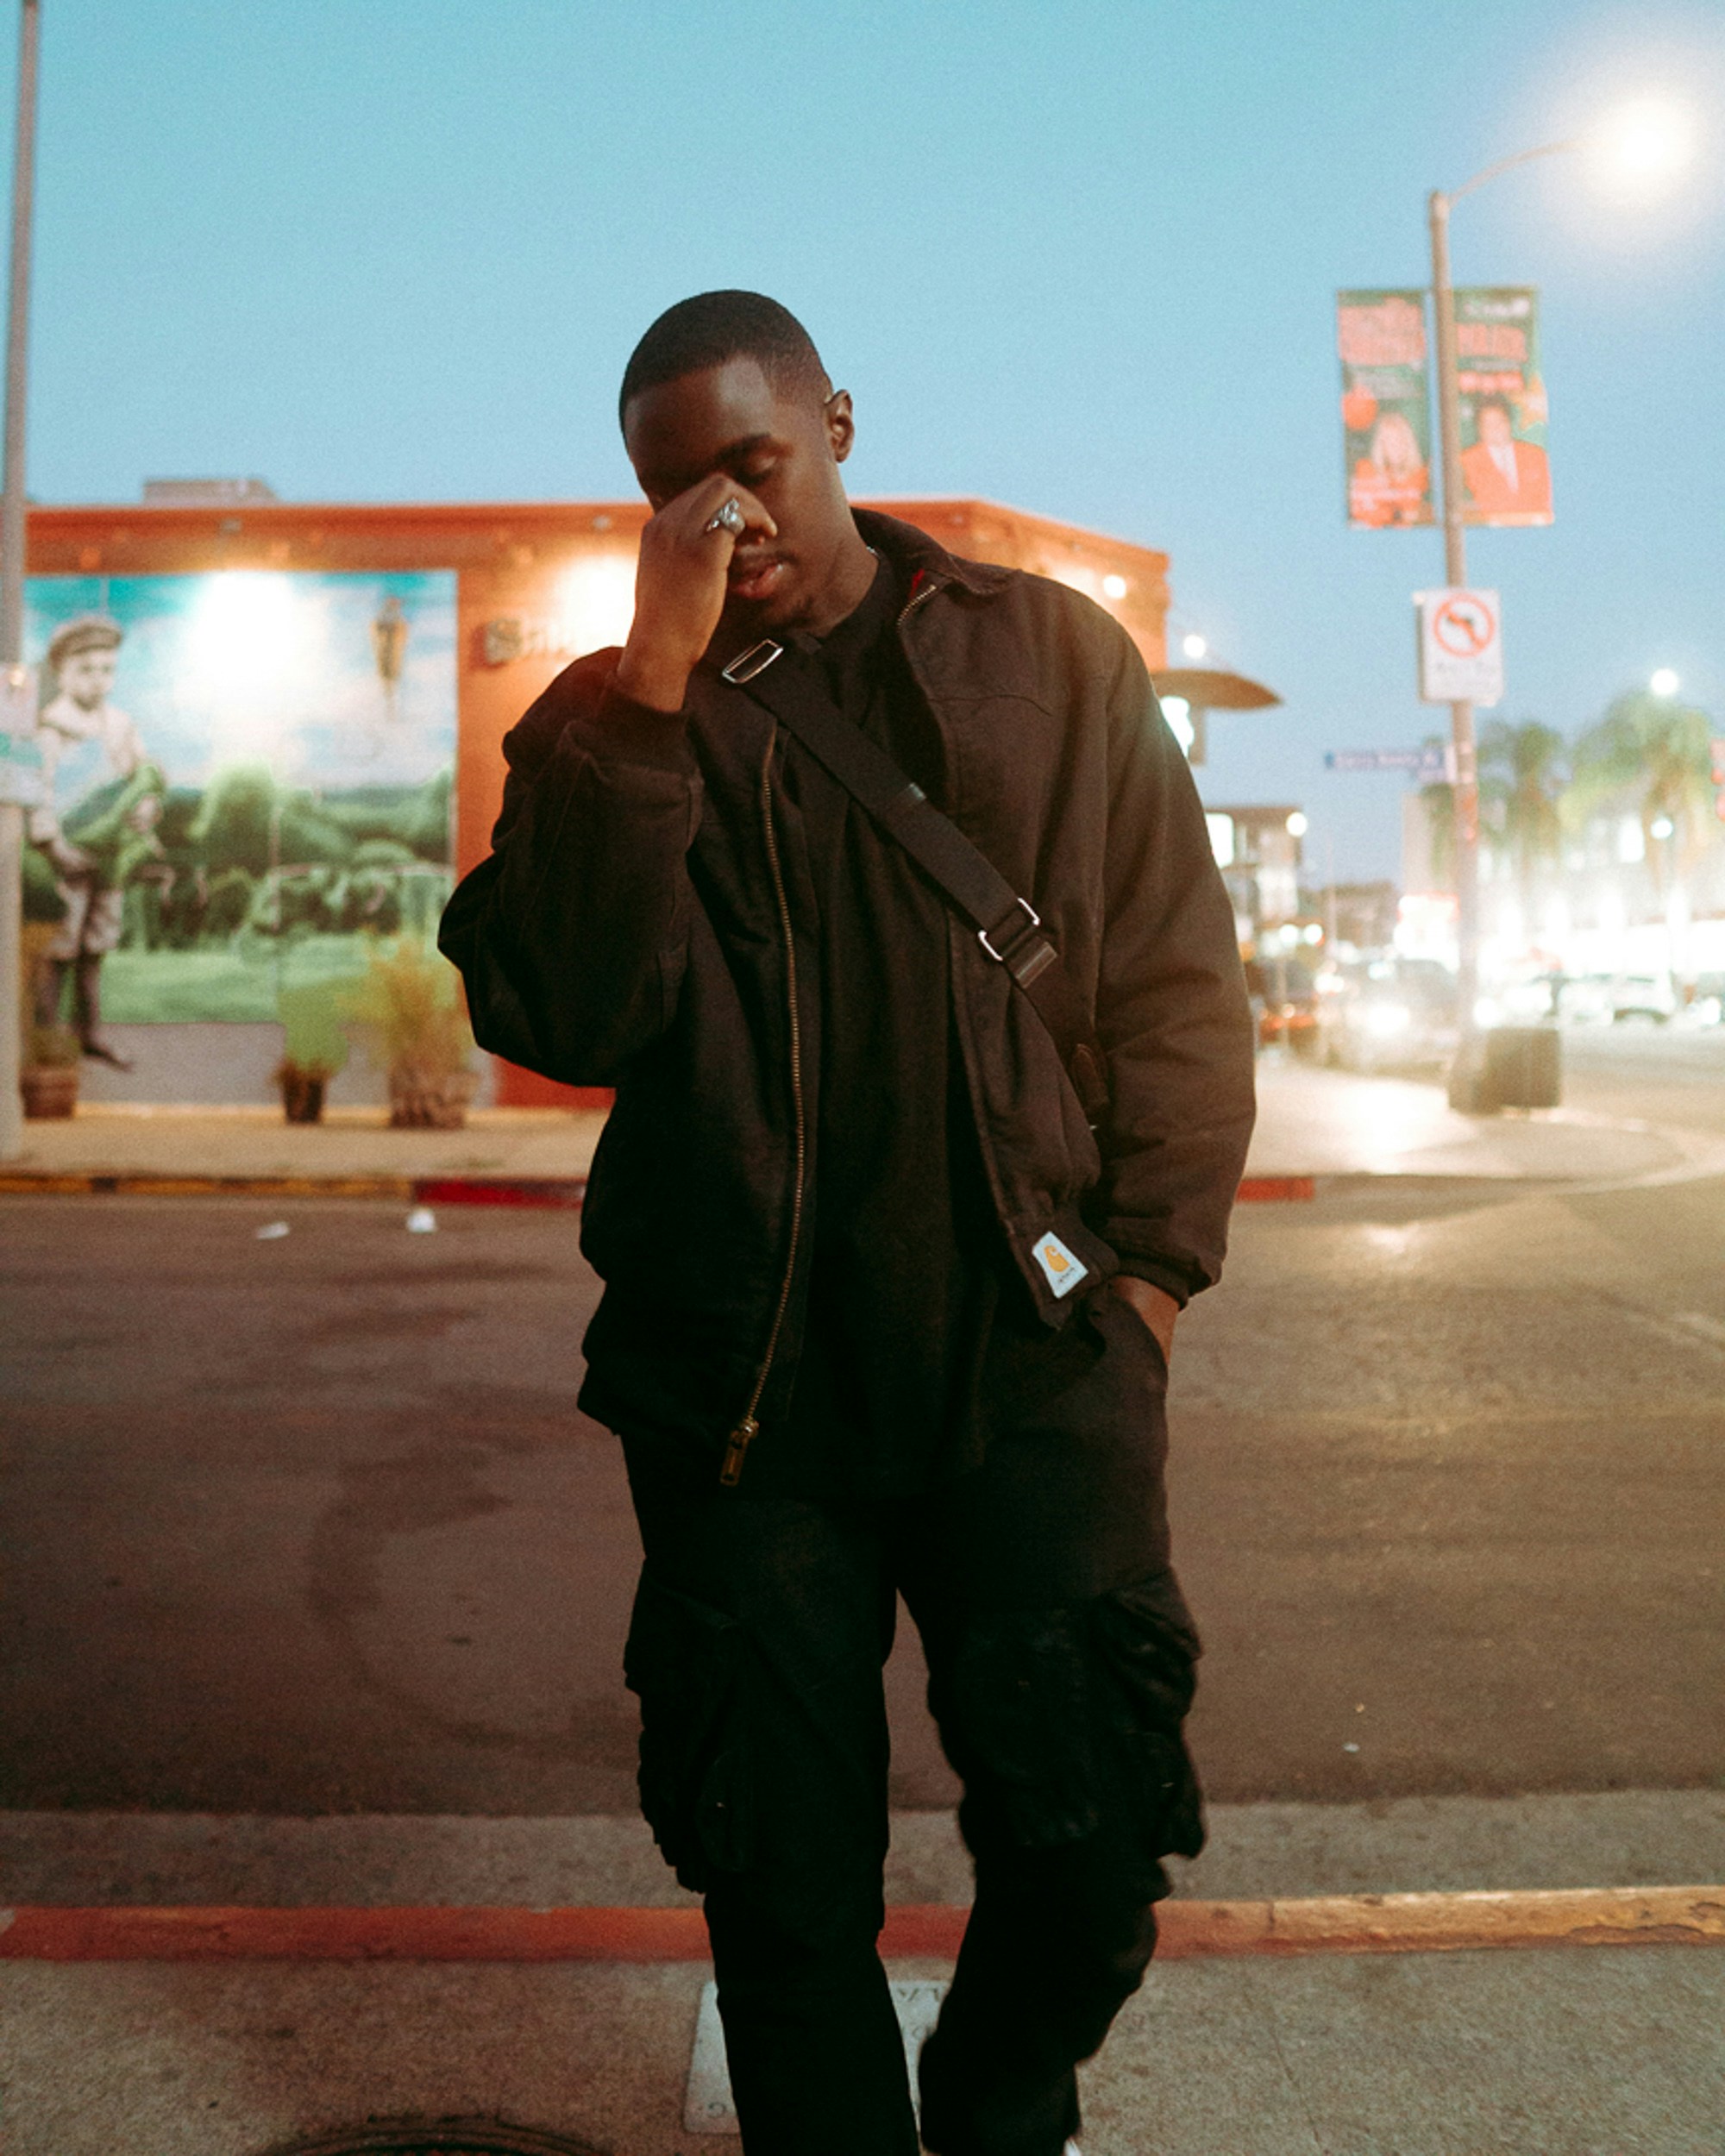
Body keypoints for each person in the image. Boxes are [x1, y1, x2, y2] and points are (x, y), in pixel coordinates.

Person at [442, 291, 1256, 2156]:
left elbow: (1179, 982)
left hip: (1031, 1359)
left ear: (837, 429)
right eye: (674, 490)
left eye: (752, 463)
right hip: (745, 1396)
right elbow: (563, 1004)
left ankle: (988, 2099)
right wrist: (648, 683)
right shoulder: (611, 715)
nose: (726, 519)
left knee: (1096, 1836)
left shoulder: (1047, 658)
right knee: (777, 1876)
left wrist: (1146, 1281)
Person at [28, 615, 164, 1068]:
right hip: (68, 852)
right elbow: (38, 791)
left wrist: (145, 808)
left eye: (107, 669)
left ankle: (92, 1032)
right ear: (63, 672)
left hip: (111, 855)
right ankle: (46, 1037)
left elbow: (142, 777)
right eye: (85, 669)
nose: (97, 680)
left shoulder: (120, 726)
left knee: (98, 941)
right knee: (61, 945)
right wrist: (55, 847)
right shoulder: (50, 727)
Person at [1459, 395, 1551, 521]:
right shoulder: (1465, 461)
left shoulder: (1536, 455)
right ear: (1479, 429)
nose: (1495, 428)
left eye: (1499, 421)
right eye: (1487, 424)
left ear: (1509, 422)